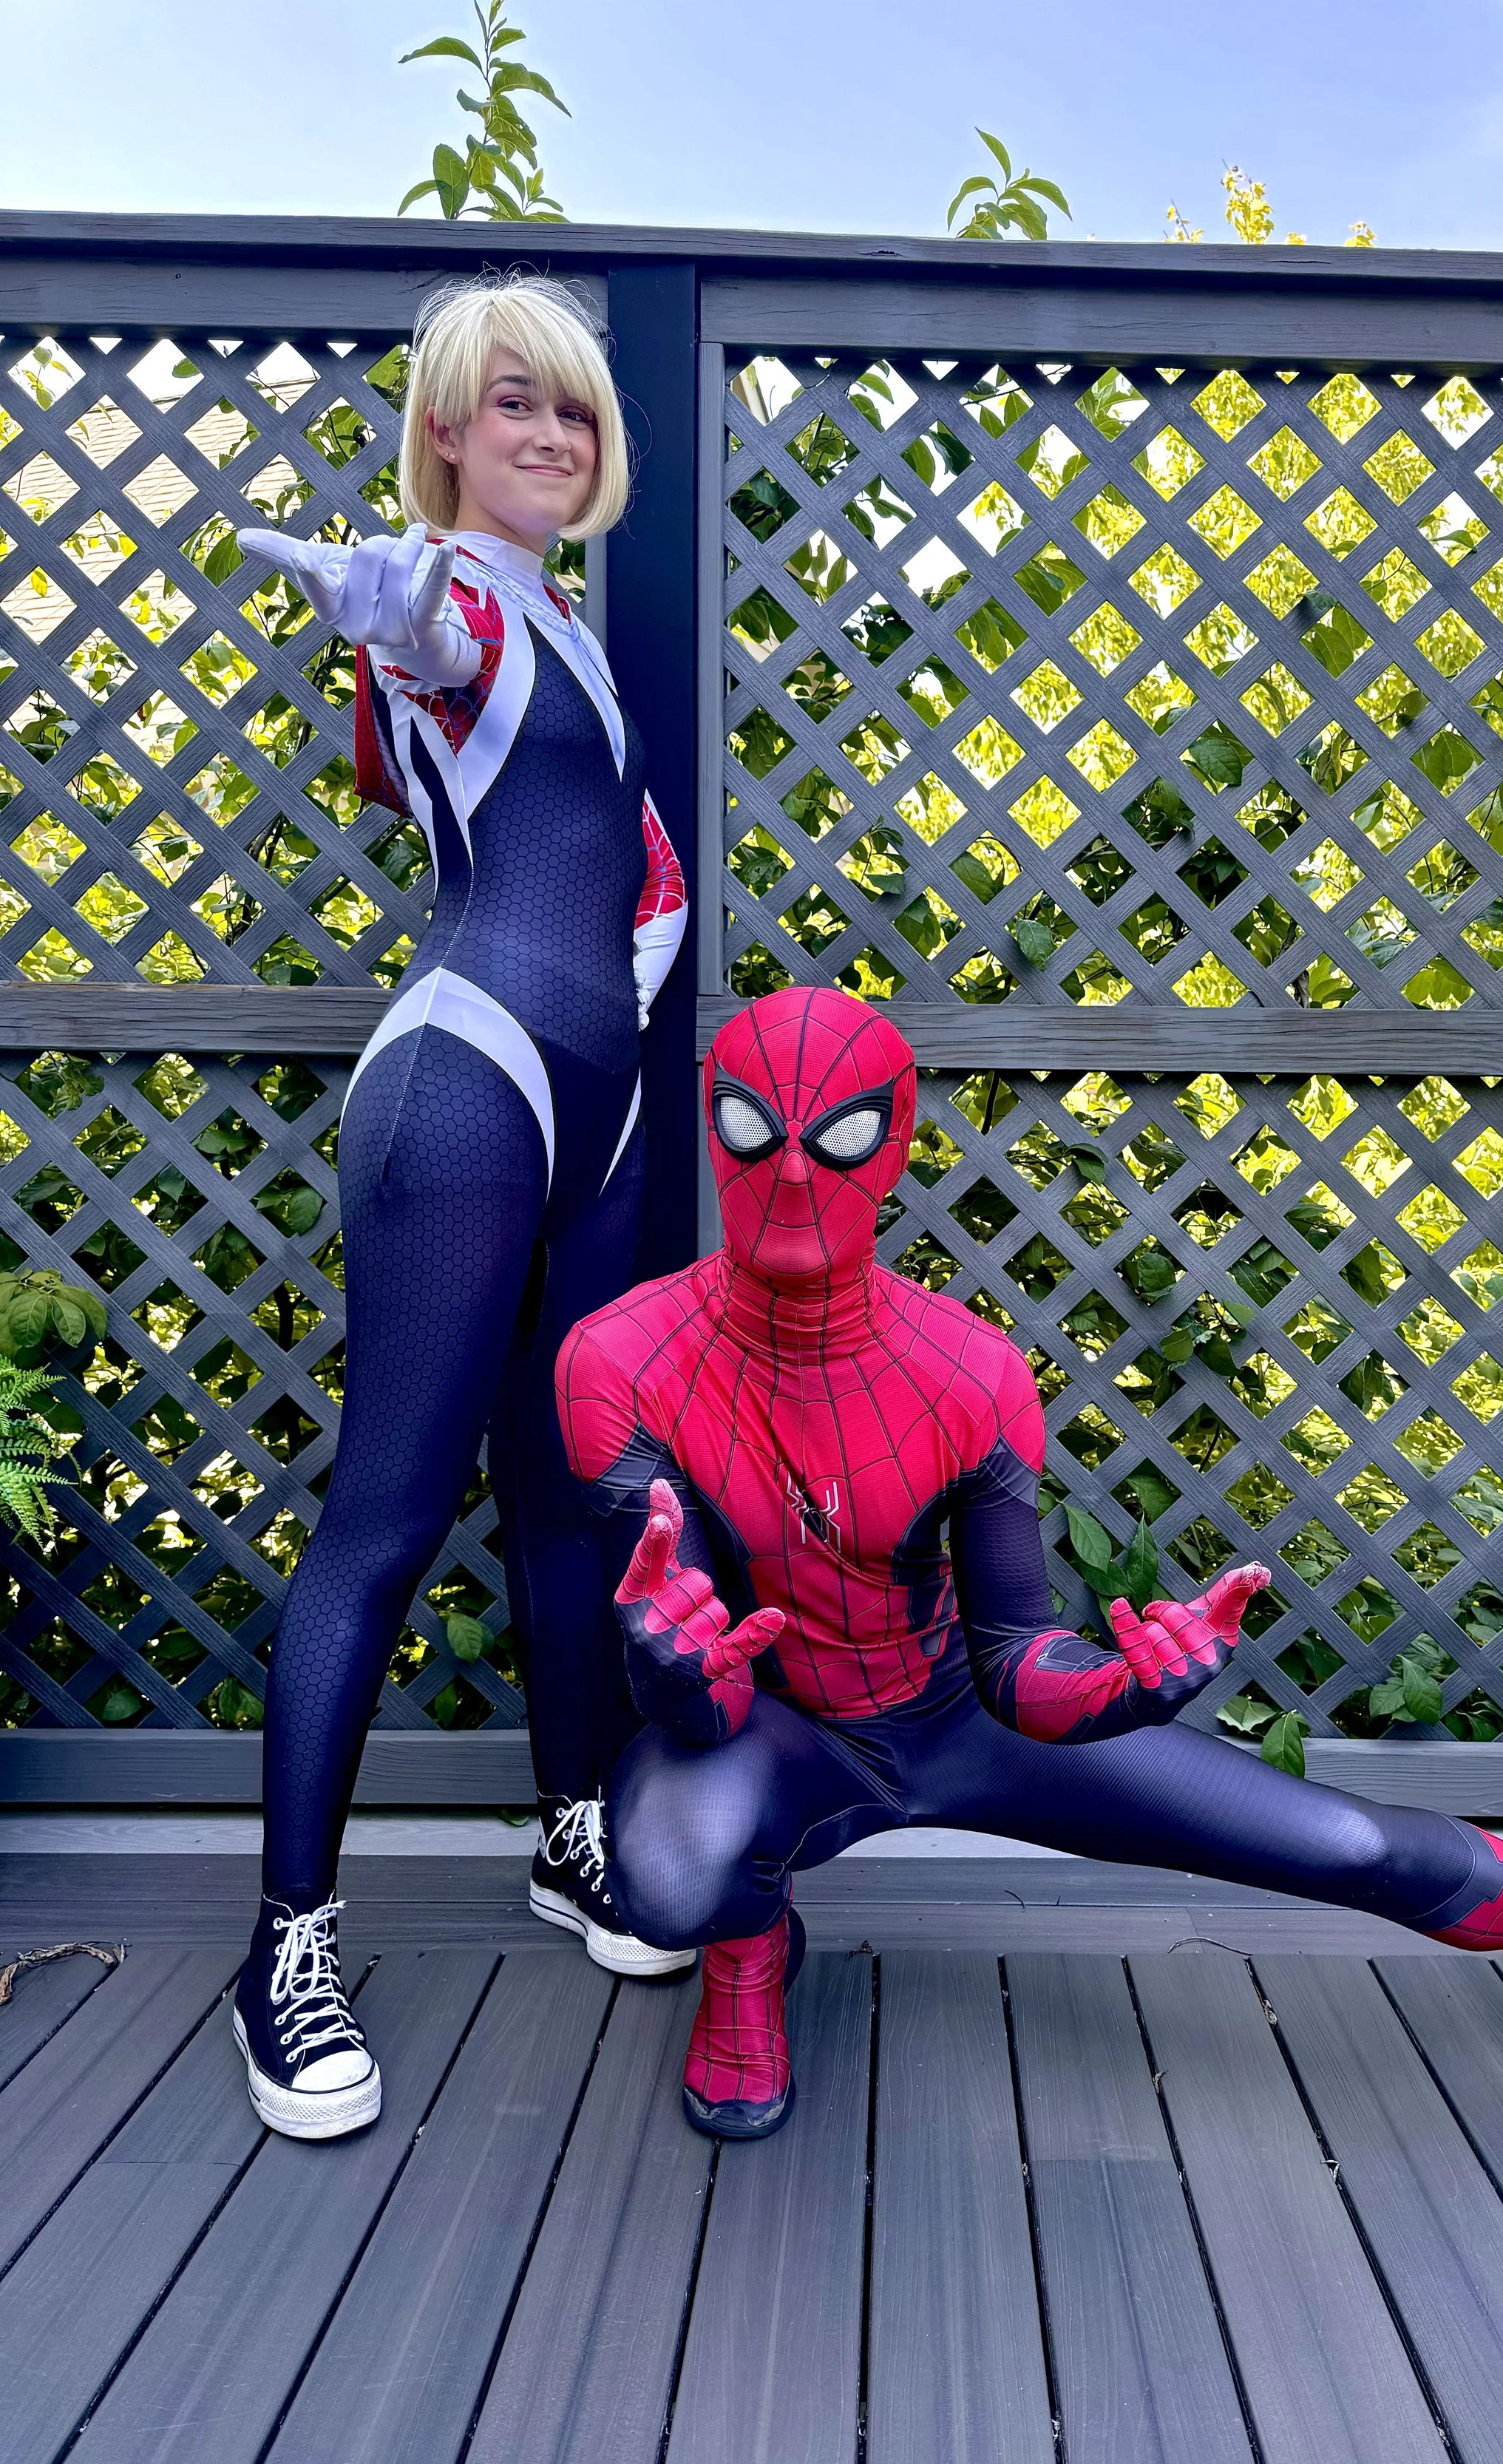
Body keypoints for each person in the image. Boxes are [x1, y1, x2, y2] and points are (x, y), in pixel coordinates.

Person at [558, 985, 1503, 2140]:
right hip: (775, 1731)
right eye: (752, 1130)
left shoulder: (968, 1375)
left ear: (894, 1145)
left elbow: (1015, 1661)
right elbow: (705, 1694)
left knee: (1348, 1845)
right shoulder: (619, 1361)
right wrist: (668, 1668)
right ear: (711, 1126)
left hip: (957, 1715)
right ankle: (747, 1958)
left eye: (835, 1136)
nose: (790, 1173)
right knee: (671, 1874)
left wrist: (1124, 1688)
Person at [228, 275, 691, 2142]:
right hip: (468, 1082)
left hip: (598, 1108)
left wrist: (641, 1014)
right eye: (513, 403)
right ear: (443, 430)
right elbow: (428, 635)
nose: (551, 435)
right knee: (390, 1516)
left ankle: (573, 1833)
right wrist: (387, 603)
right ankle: (285, 1945)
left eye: (572, 408)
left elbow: (639, 878)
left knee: (574, 1492)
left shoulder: (568, 625)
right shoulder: (464, 603)